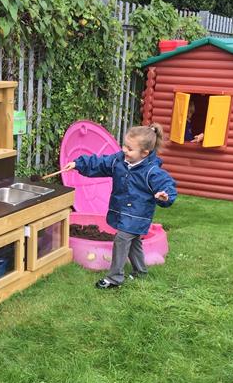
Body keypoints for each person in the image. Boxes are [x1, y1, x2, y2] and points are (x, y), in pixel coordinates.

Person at [63, 123, 178, 289]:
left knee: (122, 239)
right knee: (134, 242)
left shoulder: (151, 171)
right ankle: (140, 272)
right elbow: (100, 163)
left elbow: (166, 184)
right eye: (124, 145)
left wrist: (165, 195)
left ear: (145, 153)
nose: (124, 150)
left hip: (138, 215)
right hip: (122, 211)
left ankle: (115, 278)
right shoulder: (119, 161)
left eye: (130, 149)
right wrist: (79, 164)